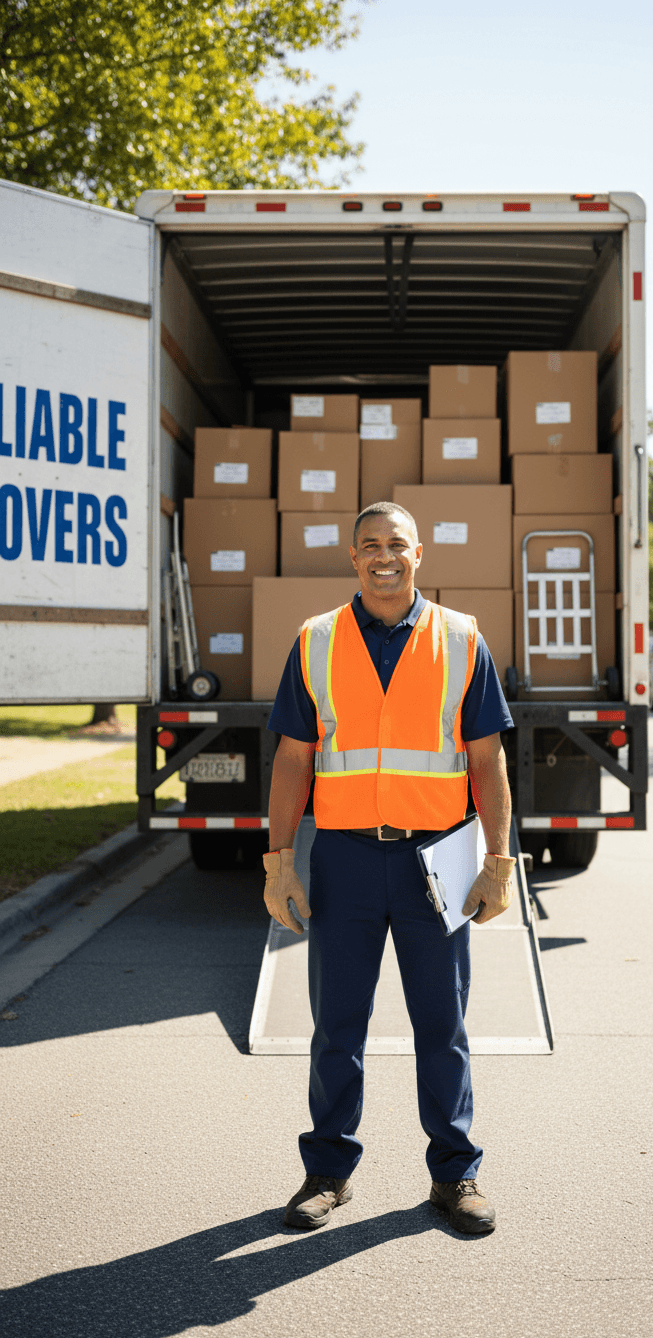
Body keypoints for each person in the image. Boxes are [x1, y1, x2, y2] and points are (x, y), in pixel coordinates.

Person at [263, 501, 515, 1235]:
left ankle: (455, 1174)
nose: (384, 556)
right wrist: (280, 862)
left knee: (444, 1024)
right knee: (336, 1025)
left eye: (396, 545)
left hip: (436, 858)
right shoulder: (315, 641)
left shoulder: (462, 639)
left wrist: (498, 859)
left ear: (419, 553)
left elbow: (487, 759)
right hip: (342, 856)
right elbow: (292, 759)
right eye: (370, 545)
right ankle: (328, 1173)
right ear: (351, 556)